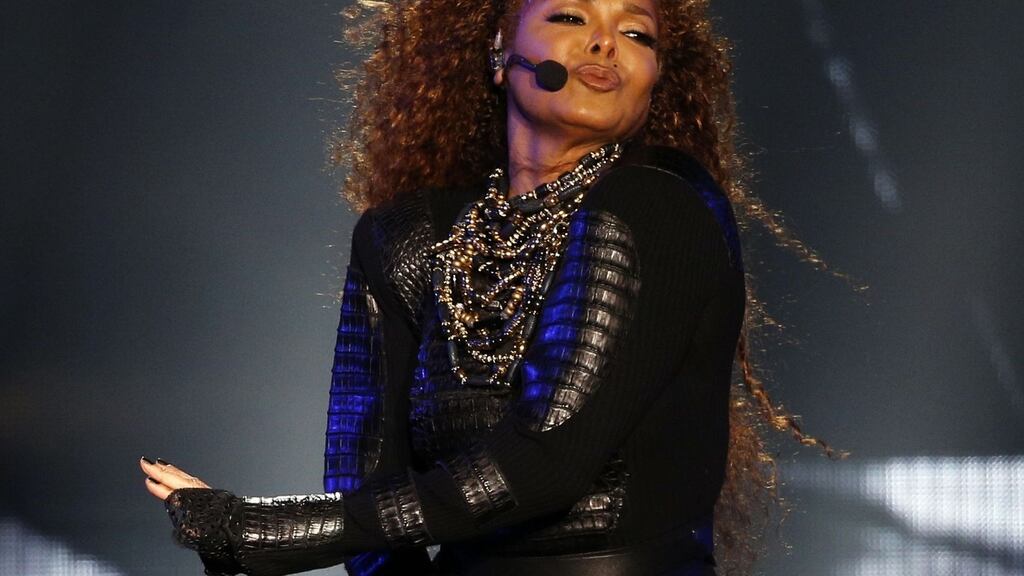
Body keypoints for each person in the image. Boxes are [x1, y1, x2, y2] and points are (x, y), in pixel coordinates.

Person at [139, 0, 846, 574]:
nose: (605, 44)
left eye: (636, 33)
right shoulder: (408, 238)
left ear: (656, 78)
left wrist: (266, 532)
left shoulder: (656, 210)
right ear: (499, 50)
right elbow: (369, 485)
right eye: (571, 19)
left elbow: (545, 462)